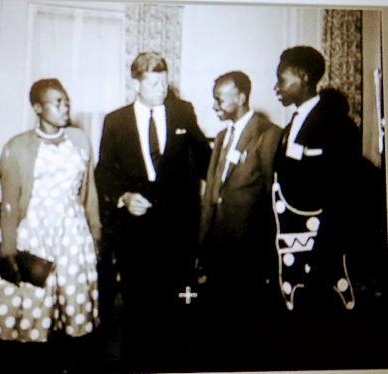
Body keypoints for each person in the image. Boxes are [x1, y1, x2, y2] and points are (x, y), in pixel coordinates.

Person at [0, 78, 101, 373]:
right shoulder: (17, 147)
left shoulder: (79, 140)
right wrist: (10, 251)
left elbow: (89, 192)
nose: (64, 108)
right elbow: (10, 204)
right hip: (34, 231)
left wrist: (96, 234)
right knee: (33, 308)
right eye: (57, 103)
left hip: (71, 233)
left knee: (72, 308)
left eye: (66, 102)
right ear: (38, 108)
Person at [95, 52, 211, 370]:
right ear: (135, 82)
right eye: (152, 82)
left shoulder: (182, 112)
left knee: (174, 314)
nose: (161, 89)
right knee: (137, 311)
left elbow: (206, 159)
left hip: (177, 230)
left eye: (164, 81)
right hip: (135, 233)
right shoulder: (115, 121)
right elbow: (104, 171)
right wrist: (123, 197)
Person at [272, 45, 364, 370]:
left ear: (304, 77)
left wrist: (326, 252)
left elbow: (345, 192)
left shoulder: (338, 126)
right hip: (295, 246)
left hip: (325, 247)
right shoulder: (288, 128)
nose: (276, 88)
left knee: (325, 335)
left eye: (281, 79)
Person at [197, 71, 283, 370]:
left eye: (220, 98)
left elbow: (274, 197)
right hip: (218, 249)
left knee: (249, 332)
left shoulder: (268, 134)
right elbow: (212, 194)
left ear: (241, 97)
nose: (215, 105)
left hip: (250, 253)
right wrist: (202, 244)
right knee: (219, 330)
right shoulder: (222, 137)